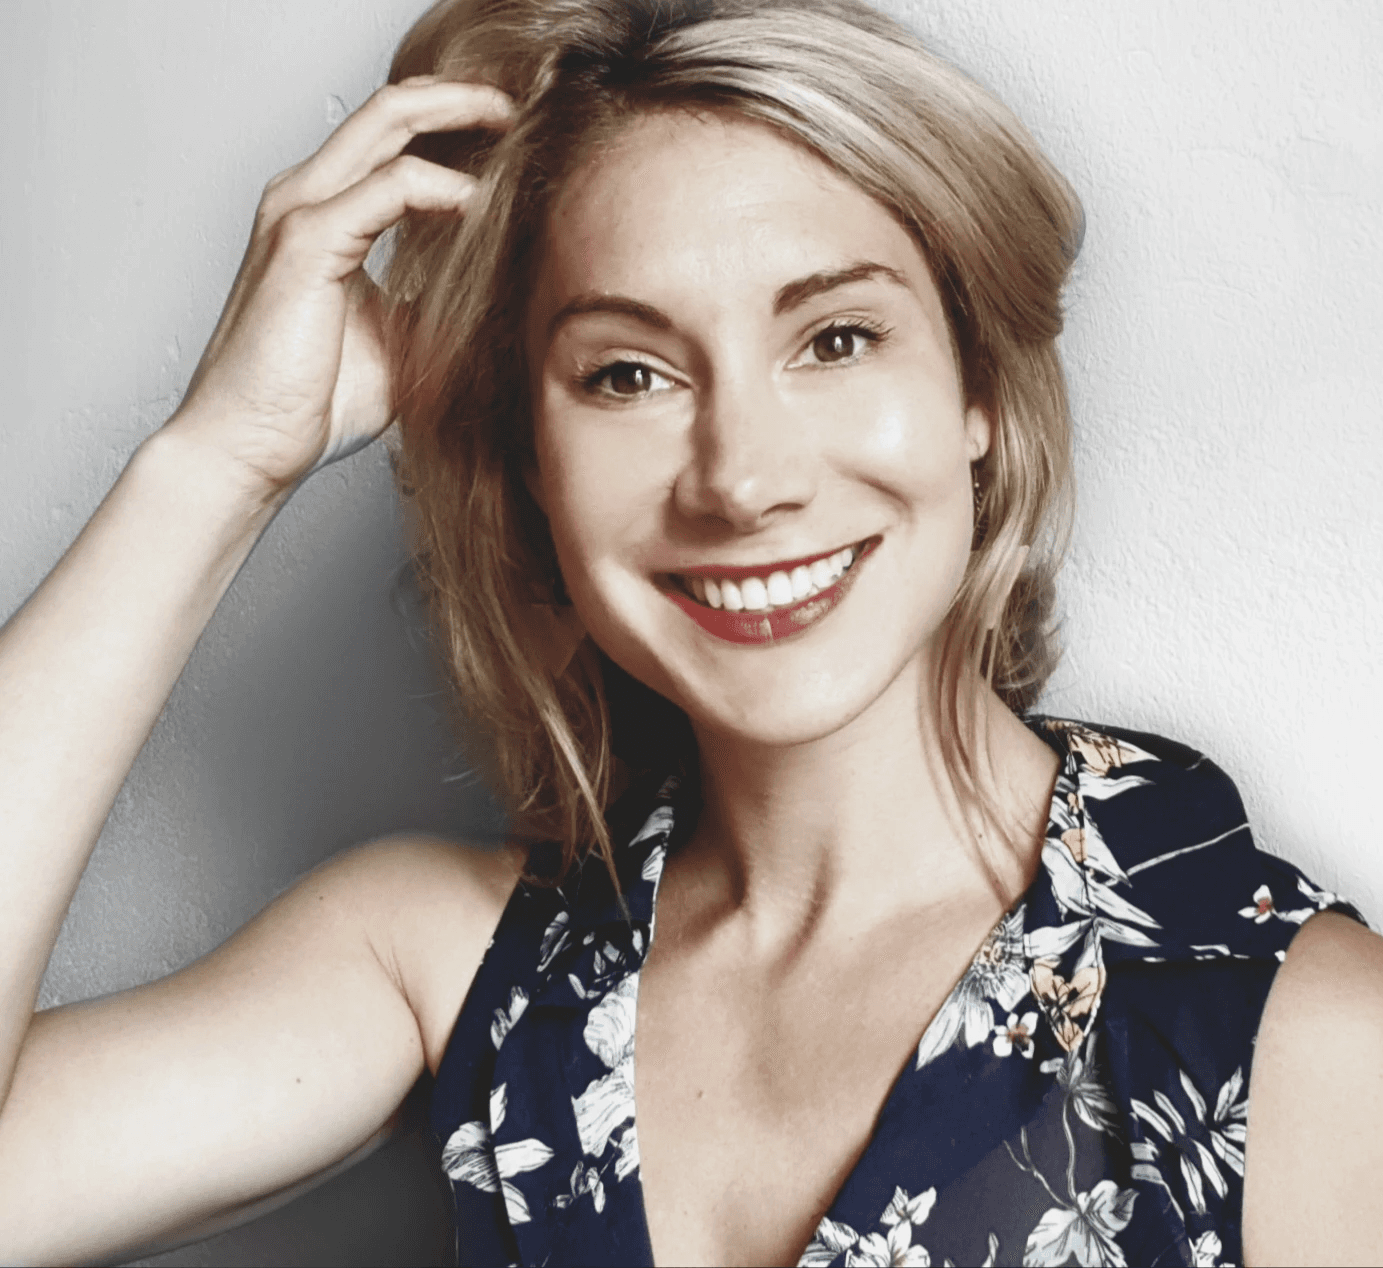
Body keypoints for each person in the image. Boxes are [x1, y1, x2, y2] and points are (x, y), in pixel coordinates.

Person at [0, 0, 1379, 1264]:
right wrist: (221, 460)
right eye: (626, 373)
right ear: (531, 463)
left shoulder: (1290, 1031)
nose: (740, 478)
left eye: (834, 339)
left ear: (977, 390)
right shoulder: (460, 964)